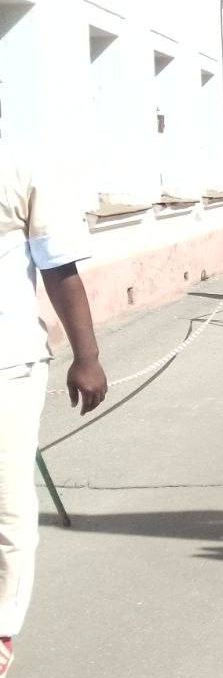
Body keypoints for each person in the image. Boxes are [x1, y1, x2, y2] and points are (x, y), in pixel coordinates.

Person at [1, 155, 108, 672]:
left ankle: (1, 628)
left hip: (7, 364)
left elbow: (59, 267)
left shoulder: (20, 171)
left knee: (6, 502)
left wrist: (86, 357)